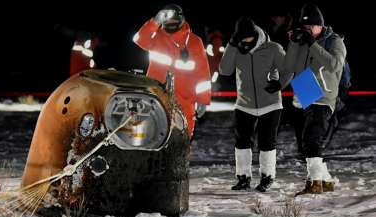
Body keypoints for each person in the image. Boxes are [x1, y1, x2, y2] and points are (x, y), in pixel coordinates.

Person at [220, 17, 292, 192]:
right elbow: (224, 70)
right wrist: (231, 45)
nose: (246, 43)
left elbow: (288, 69)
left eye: (249, 40)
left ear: (255, 36)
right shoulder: (236, 49)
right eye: (242, 41)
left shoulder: (273, 48)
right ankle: (243, 178)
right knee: (242, 142)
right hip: (244, 104)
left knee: (267, 142)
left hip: (271, 104)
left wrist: (280, 84)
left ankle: (267, 177)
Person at [282, 3, 347, 195]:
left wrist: (312, 44)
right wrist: (294, 42)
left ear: (320, 25)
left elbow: (334, 65)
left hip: (324, 94)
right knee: (306, 143)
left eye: (311, 26)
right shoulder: (302, 41)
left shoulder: (334, 41)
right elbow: (289, 66)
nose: (308, 30)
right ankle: (326, 181)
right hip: (304, 93)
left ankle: (314, 183)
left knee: (312, 138)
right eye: (305, 27)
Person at [133, 4, 211, 138]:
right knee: (152, 137)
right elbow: (139, 40)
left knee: (183, 138)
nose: (170, 24)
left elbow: (203, 74)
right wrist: (154, 22)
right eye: (167, 21)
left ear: (182, 20)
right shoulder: (156, 36)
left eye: (174, 21)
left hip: (185, 100)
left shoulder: (194, 41)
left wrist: (203, 100)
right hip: (156, 97)